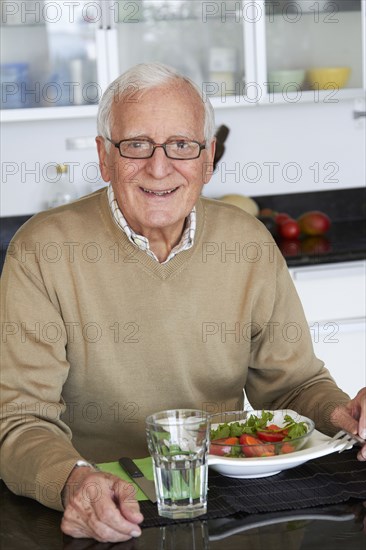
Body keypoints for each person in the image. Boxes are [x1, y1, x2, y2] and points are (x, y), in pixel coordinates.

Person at [0, 62, 365, 543]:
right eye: (136, 145)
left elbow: (294, 386)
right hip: (102, 505)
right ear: (105, 158)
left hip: (230, 504)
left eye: (182, 145)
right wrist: (74, 481)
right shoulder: (42, 250)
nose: (159, 166)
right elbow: (19, 420)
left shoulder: (248, 242)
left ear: (208, 157)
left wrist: (345, 416)